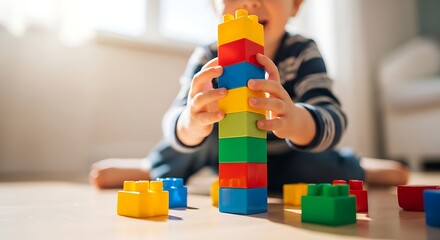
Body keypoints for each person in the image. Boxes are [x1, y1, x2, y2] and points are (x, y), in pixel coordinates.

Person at [89, 0, 408, 190]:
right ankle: (153, 167)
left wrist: (296, 119)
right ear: (216, 5)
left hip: (287, 157)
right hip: (226, 156)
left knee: (319, 166)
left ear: (295, 5)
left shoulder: (302, 52)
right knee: (186, 142)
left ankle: (357, 168)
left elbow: (332, 115)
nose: (251, 1)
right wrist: (192, 122)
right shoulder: (208, 56)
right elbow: (174, 118)